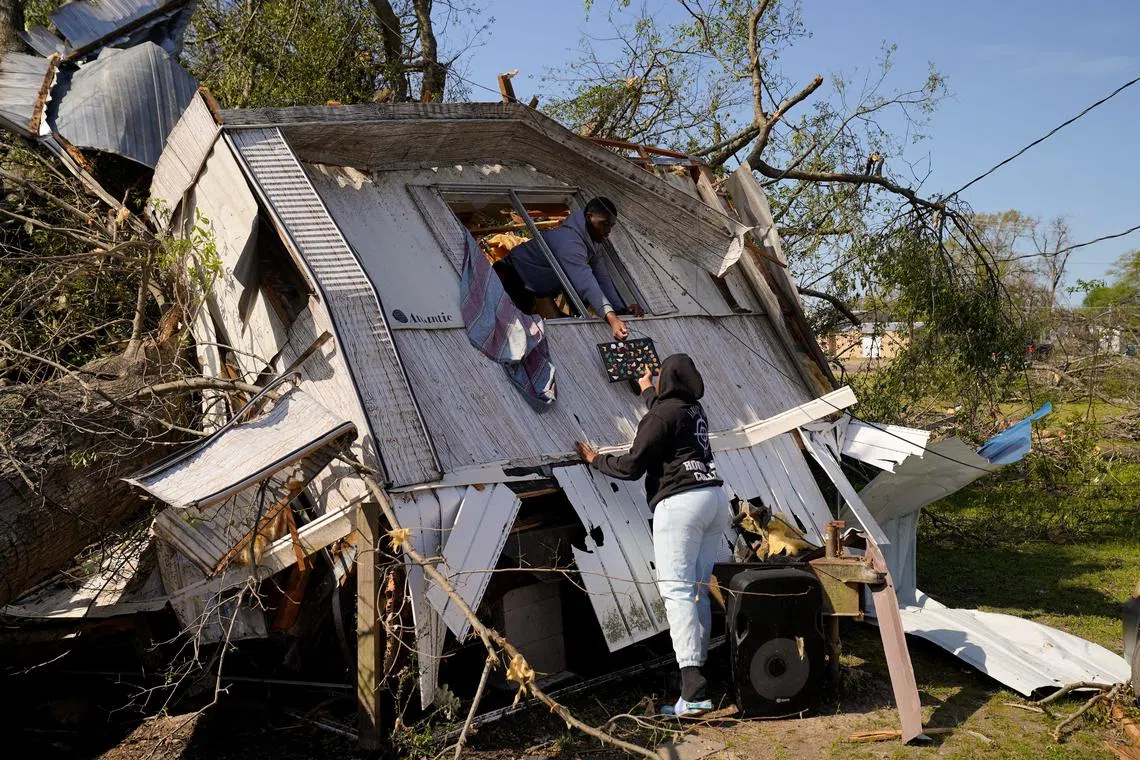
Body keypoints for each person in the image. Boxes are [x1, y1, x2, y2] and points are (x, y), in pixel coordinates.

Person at [575, 354, 728, 717]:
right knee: (696, 587)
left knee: (676, 590)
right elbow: (664, 414)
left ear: (668, 382)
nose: (654, 378)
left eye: (658, 375)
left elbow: (631, 466)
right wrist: (646, 389)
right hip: (713, 498)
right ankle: (697, 674)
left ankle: (693, 691)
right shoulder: (694, 410)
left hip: (681, 504)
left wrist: (595, 459)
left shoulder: (661, 415)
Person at [504, 196, 643, 340]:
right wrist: (612, 319)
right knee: (517, 335)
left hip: (532, 286)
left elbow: (602, 278)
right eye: (604, 224)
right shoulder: (569, 243)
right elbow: (586, 283)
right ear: (589, 218)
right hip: (512, 278)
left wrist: (620, 309)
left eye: (611, 226)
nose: (608, 230)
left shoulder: (592, 242)